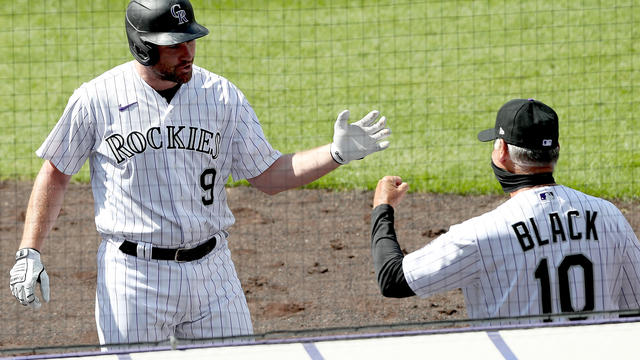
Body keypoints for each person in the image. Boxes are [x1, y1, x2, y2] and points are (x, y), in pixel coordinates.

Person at [9, 0, 390, 346]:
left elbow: (269, 175)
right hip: (133, 277)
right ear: (143, 46)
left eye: (190, 40)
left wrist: (335, 153)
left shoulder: (222, 96)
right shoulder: (96, 99)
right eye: (174, 44)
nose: (187, 52)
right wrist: (30, 250)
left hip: (213, 272)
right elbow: (56, 172)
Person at [370, 98, 640, 325]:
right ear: (556, 151)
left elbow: (392, 279)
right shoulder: (609, 216)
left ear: (502, 151)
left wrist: (383, 207)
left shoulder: (480, 235)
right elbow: (634, 308)